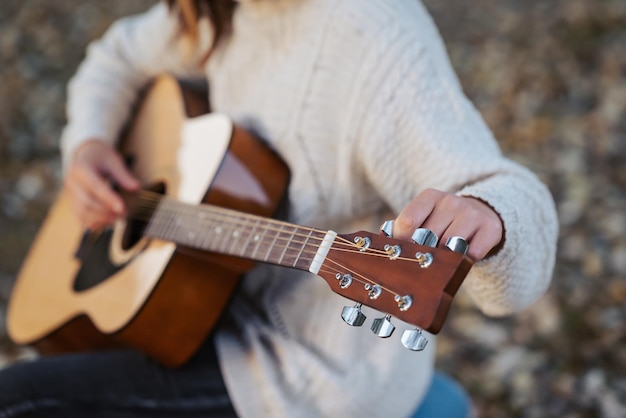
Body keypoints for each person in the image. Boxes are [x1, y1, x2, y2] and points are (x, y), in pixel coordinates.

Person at [0, 0, 559, 417]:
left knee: (18, 399)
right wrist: (90, 144)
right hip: (208, 310)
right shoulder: (215, 12)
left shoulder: (373, 33)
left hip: (310, 372)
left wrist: (491, 215)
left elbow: (498, 189)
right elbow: (115, 56)